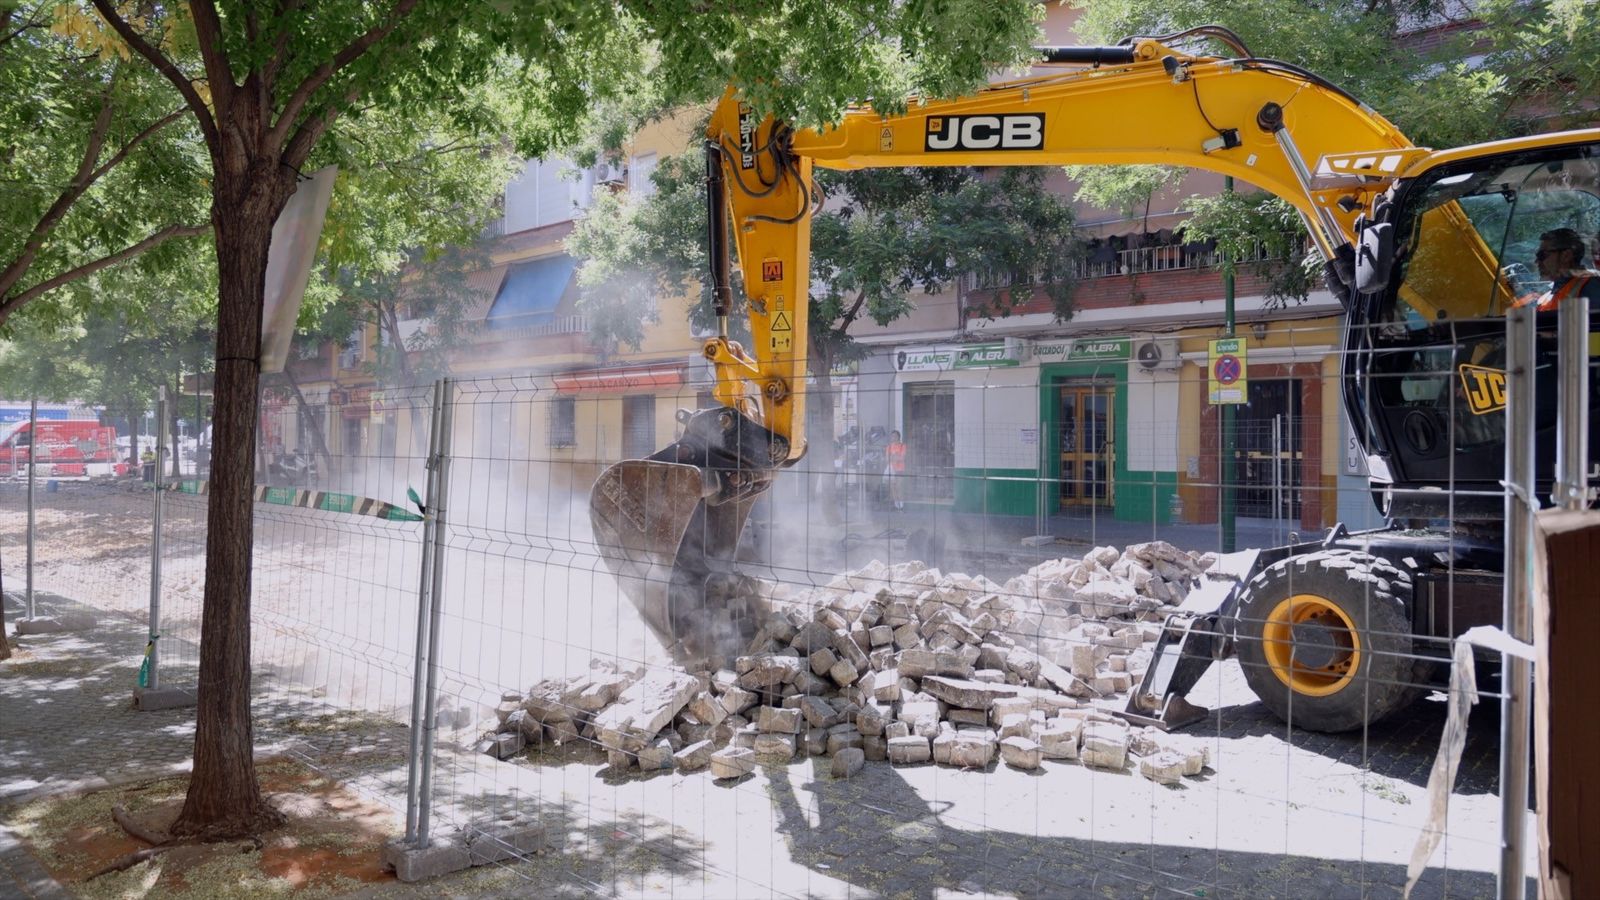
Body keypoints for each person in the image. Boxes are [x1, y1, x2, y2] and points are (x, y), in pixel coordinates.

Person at [1517, 227, 1600, 312]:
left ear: (1566, 255)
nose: (1537, 261)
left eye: (1542, 255)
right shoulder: (1547, 295)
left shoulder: (1591, 287)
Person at [885, 429, 906, 510]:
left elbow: (902, 458)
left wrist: (893, 457)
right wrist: (896, 456)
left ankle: (901, 505)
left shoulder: (902, 446)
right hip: (892, 469)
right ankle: (896, 505)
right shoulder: (889, 447)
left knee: (899, 486)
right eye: (892, 436)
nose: (893, 438)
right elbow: (887, 459)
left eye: (895, 436)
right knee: (893, 487)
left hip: (900, 469)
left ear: (898, 437)